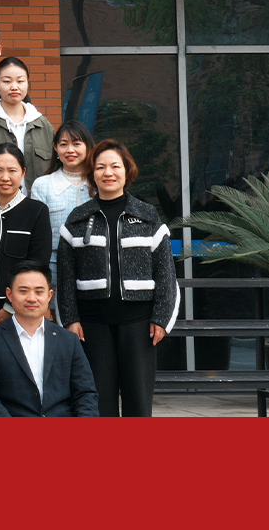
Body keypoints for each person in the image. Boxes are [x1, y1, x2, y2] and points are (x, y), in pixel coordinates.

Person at [58, 140, 178, 417]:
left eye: (115, 166)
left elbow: (166, 274)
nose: (108, 173)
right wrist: (70, 319)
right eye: (100, 167)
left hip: (139, 326)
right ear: (92, 173)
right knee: (98, 404)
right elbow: (65, 278)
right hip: (92, 327)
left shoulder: (147, 216)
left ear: (127, 171)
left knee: (139, 403)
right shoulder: (77, 219)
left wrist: (161, 318)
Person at [0, 261, 99, 417]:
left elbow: (86, 394)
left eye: (39, 292)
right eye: (23, 291)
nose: (32, 298)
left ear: (49, 295)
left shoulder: (69, 340)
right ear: (9, 295)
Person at [0, 143, 53, 333]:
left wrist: (10, 306)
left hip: (21, 310)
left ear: (23, 173)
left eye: (12, 171)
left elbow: (38, 263)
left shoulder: (37, 211)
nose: (5, 177)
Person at [29, 121, 94, 295]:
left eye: (77, 144)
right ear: (55, 148)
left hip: (95, 265)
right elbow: (38, 236)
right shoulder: (42, 185)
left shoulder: (99, 183)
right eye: (64, 144)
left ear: (88, 146)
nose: (70, 150)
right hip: (54, 267)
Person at [0, 57, 56, 184]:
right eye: (7, 81)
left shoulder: (42, 125)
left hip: (35, 196)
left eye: (20, 81)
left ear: (27, 84)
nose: (14, 87)